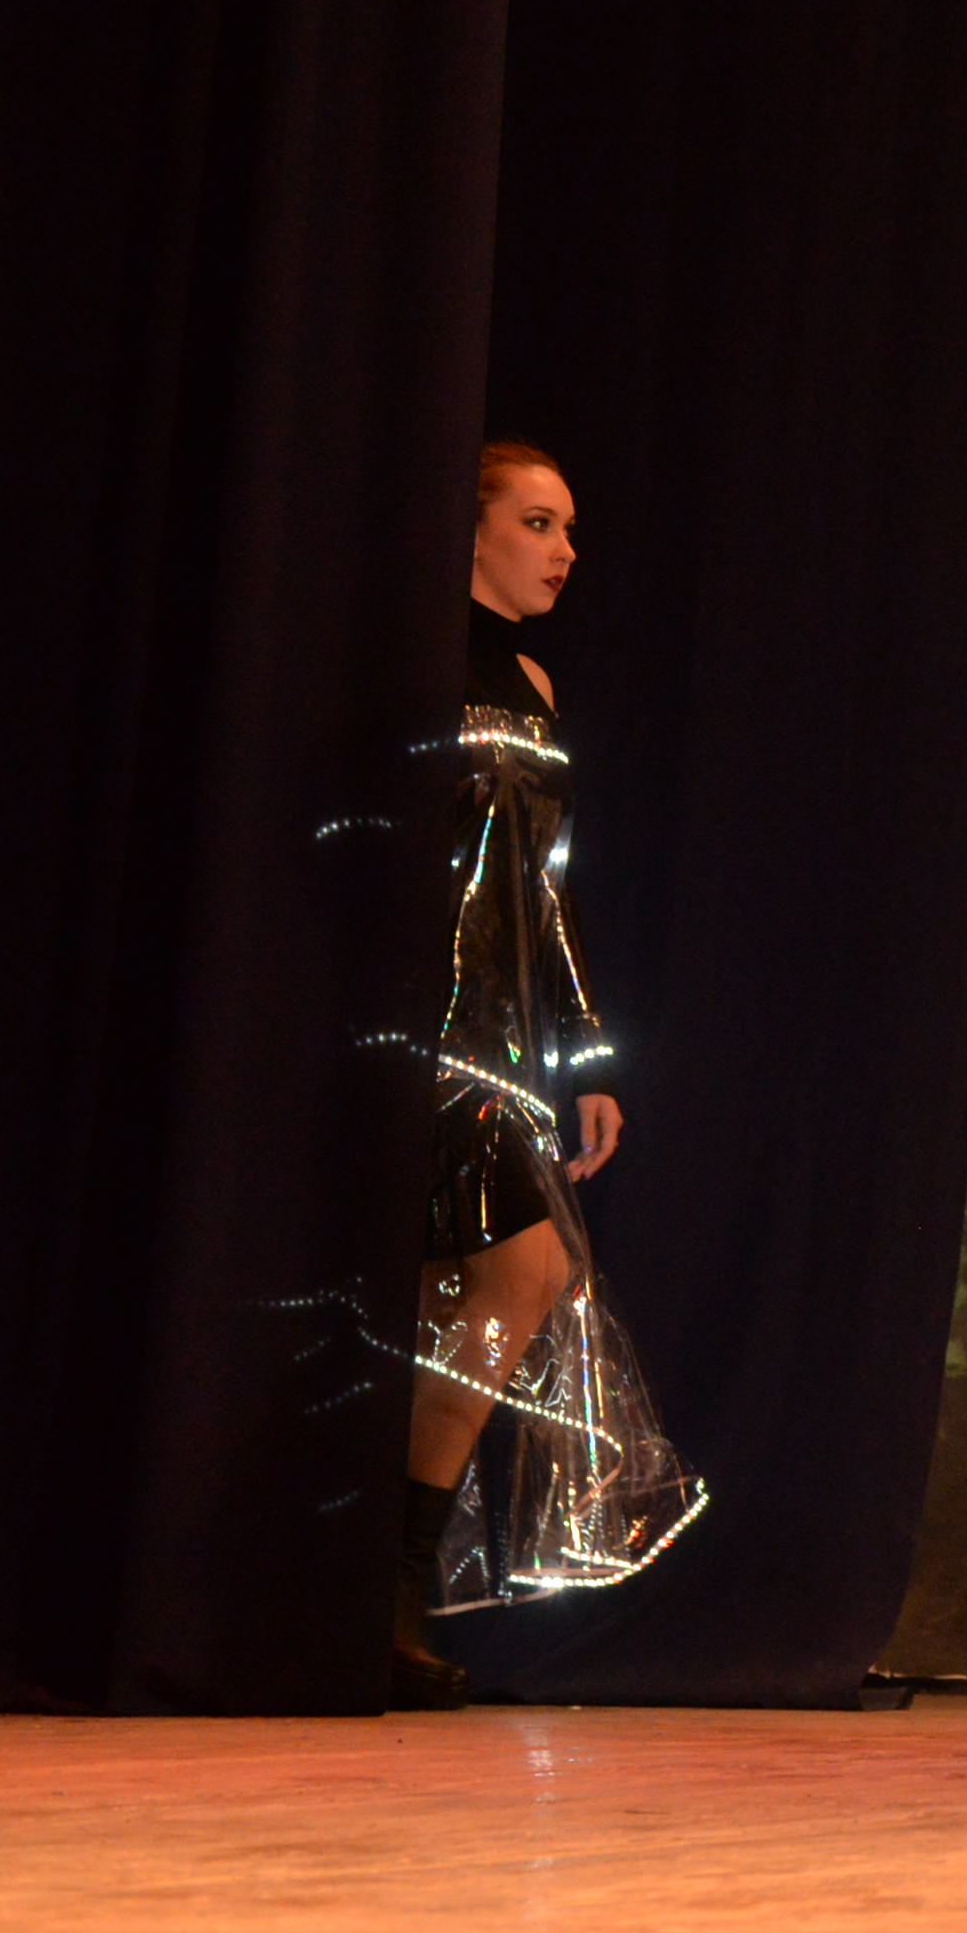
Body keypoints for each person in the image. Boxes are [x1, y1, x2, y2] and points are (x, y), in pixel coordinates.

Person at [396, 442, 707, 1709]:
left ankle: (396, 1580)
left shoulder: (529, 678)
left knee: (481, 1290)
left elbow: (542, 884)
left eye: (568, 525)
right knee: (504, 1278)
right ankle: (389, 1582)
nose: (565, 550)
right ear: (468, 528)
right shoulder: (410, 657)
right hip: (406, 1027)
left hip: (494, 1038)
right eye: (538, 521)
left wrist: (583, 1049)